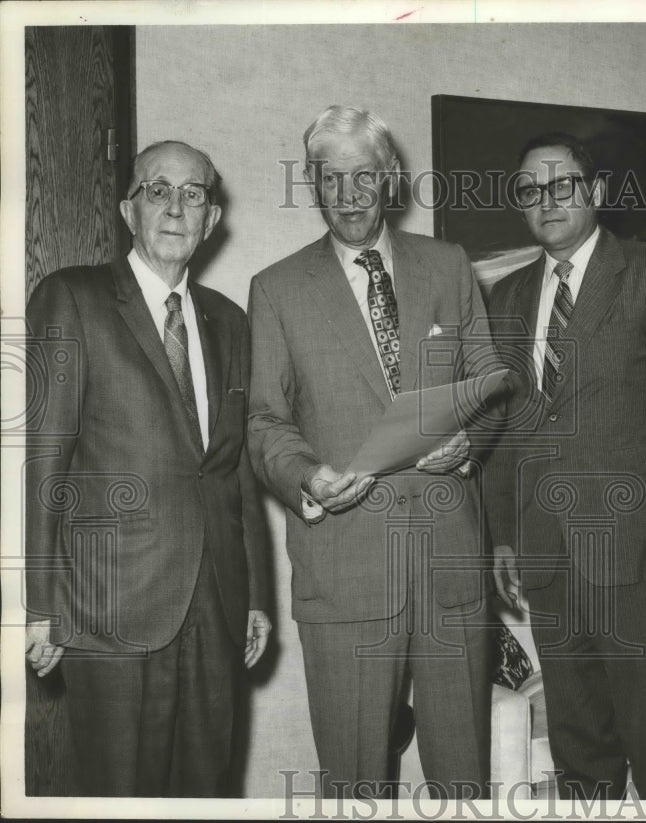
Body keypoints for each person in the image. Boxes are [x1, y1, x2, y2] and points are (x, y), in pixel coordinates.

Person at [247, 105, 493, 799]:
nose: (349, 195)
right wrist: (305, 475)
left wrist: (470, 440)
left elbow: (491, 388)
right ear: (313, 185)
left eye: (364, 176)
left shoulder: (447, 266)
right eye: (331, 179)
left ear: (389, 180)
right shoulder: (277, 289)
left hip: (450, 568)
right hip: (345, 567)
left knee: (464, 780)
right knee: (356, 783)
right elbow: (265, 419)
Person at [23, 140, 272, 797]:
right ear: (127, 209)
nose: (174, 206)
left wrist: (254, 597)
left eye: (192, 194)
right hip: (106, 608)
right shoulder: (70, 296)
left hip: (215, 604)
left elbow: (235, 467)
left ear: (211, 219)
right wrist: (40, 604)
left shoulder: (231, 321)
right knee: (117, 793)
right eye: (157, 189)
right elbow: (45, 458)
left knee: (207, 789)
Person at [487, 133, 646, 800]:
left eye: (562, 185)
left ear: (595, 193)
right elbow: (506, 426)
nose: (545, 200)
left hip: (638, 550)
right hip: (549, 552)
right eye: (531, 190)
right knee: (579, 740)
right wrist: (503, 531)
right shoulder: (508, 297)